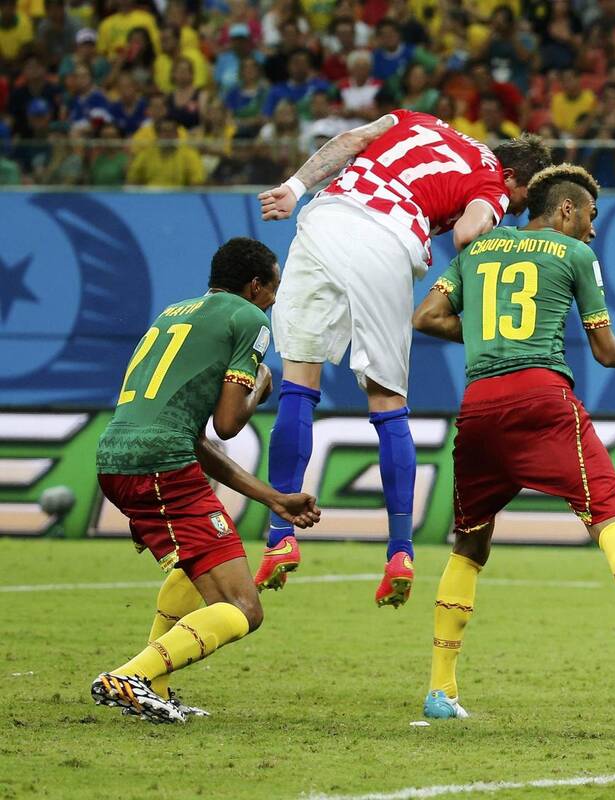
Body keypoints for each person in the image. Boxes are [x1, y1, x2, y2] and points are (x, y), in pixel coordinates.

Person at [411, 164, 615, 719]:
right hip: (542, 400)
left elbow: (426, 317)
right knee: (607, 513)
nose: (593, 228)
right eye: (590, 215)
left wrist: (487, 328)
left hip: (479, 407)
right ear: (565, 209)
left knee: (470, 544)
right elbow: (607, 351)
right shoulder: (575, 255)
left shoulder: (476, 251)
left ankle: (441, 691)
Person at [256, 111, 551, 608]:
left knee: (299, 382)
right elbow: (467, 234)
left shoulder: (418, 119)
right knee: (386, 401)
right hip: (388, 236)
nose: (516, 211)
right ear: (514, 176)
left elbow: (351, 140)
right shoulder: (491, 179)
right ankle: (399, 552)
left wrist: (294, 187)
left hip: (324, 218)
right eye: (520, 201)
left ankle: (279, 537)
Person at [91, 238, 321, 723]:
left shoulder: (172, 313)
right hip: (161, 464)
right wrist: (259, 387)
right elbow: (228, 424)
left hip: (118, 455)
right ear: (255, 286)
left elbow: (197, 440)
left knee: (194, 566)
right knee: (243, 607)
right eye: (274, 288)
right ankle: (131, 676)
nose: (274, 299)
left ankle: (153, 687)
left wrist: (272, 498)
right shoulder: (249, 319)